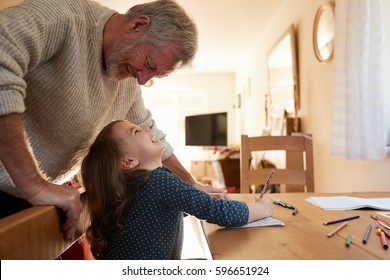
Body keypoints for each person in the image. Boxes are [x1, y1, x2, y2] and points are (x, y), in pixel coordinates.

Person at [0, 0, 223, 241]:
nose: (141, 80)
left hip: (29, 198)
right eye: (148, 64)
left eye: (154, 75)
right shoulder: (62, 17)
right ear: (138, 25)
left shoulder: (126, 81)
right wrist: (35, 184)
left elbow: (149, 130)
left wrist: (191, 187)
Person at [79, 120, 273, 259]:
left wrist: (197, 197)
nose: (147, 128)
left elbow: (159, 212)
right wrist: (262, 209)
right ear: (129, 161)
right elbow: (217, 213)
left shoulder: (139, 185)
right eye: (137, 132)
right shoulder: (157, 180)